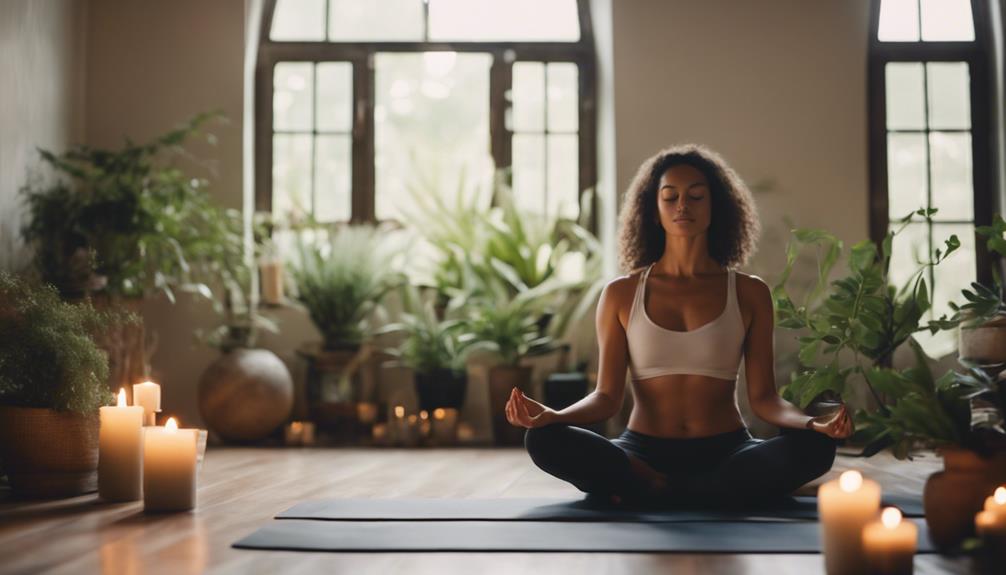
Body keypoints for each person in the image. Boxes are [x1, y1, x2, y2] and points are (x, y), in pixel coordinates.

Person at [505, 143, 852, 507]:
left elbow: (764, 399)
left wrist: (815, 425)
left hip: (730, 451)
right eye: (670, 197)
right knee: (543, 440)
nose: (682, 205)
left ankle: (670, 490)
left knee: (816, 448)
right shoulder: (622, 294)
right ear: (653, 211)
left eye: (696, 196)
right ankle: (687, 488)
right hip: (640, 453)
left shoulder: (749, 292)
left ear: (715, 206)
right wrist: (554, 416)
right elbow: (606, 398)